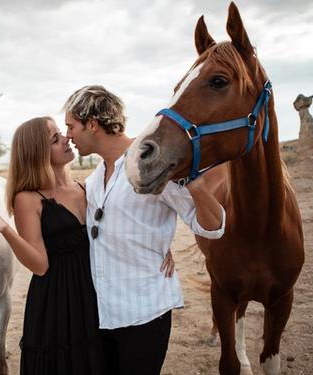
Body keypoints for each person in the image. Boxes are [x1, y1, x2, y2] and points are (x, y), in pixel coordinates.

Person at [0, 116, 175, 374]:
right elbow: (39, 265)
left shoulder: (86, 187)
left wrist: (160, 246)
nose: (66, 139)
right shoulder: (28, 198)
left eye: (62, 132)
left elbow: (115, 227)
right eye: (55, 138)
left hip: (95, 292)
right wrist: (6, 229)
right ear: (38, 152)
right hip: (58, 300)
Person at [63, 85, 226, 375]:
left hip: (144, 312)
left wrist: (195, 185)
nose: (68, 135)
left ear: (92, 123)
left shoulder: (153, 164)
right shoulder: (95, 176)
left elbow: (211, 227)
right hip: (101, 313)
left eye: (71, 126)